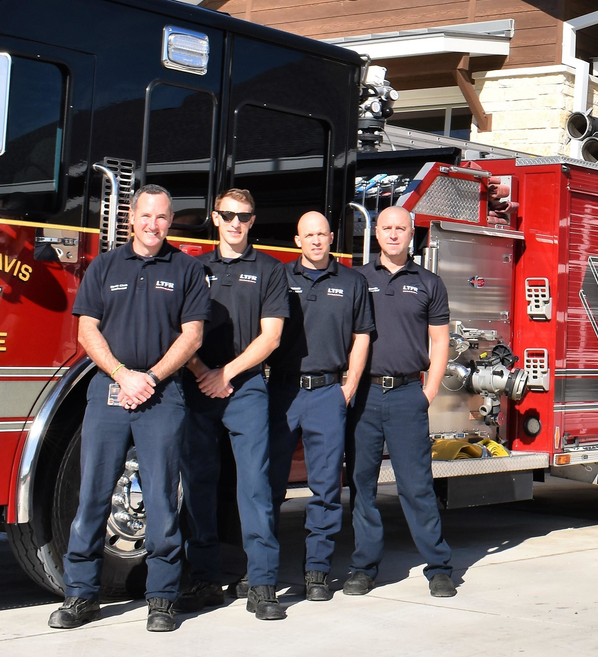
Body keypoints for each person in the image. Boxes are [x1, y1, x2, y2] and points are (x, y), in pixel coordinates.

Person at [50, 184, 207, 633]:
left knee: (160, 499)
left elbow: (192, 335)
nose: (153, 225)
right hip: (109, 391)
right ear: (131, 219)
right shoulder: (105, 265)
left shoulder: (187, 270)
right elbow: (87, 331)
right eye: (146, 216)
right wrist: (122, 375)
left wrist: (152, 378)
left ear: (169, 219)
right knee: (93, 496)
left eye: (161, 217)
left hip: (163, 394)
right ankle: (80, 597)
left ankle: (162, 599)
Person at [180, 189, 289, 619]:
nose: (235, 223)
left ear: (252, 220)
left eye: (243, 216)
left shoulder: (269, 270)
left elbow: (272, 336)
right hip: (196, 386)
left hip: (246, 389)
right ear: (215, 217)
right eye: (227, 215)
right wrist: (202, 372)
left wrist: (225, 374)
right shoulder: (193, 269)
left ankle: (261, 585)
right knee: (199, 486)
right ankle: (204, 580)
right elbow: (180, 331)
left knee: (255, 488)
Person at [346, 206, 457, 598]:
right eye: (386, 228)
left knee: (416, 486)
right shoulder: (357, 279)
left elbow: (441, 342)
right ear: (376, 233)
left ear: (412, 234)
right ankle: (363, 567)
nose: (393, 235)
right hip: (364, 397)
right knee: (362, 484)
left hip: (409, 393)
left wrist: (428, 393)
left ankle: (439, 567)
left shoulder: (429, 283)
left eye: (401, 229)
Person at [273, 210, 375, 604]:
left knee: (325, 489)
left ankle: (317, 571)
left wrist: (347, 388)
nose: (316, 241)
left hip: (328, 394)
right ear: (297, 240)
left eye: (322, 234)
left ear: (332, 237)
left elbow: (362, 336)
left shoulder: (352, 281)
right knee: (268, 487)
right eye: (308, 235)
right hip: (282, 394)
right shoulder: (279, 278)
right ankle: (260, 570)